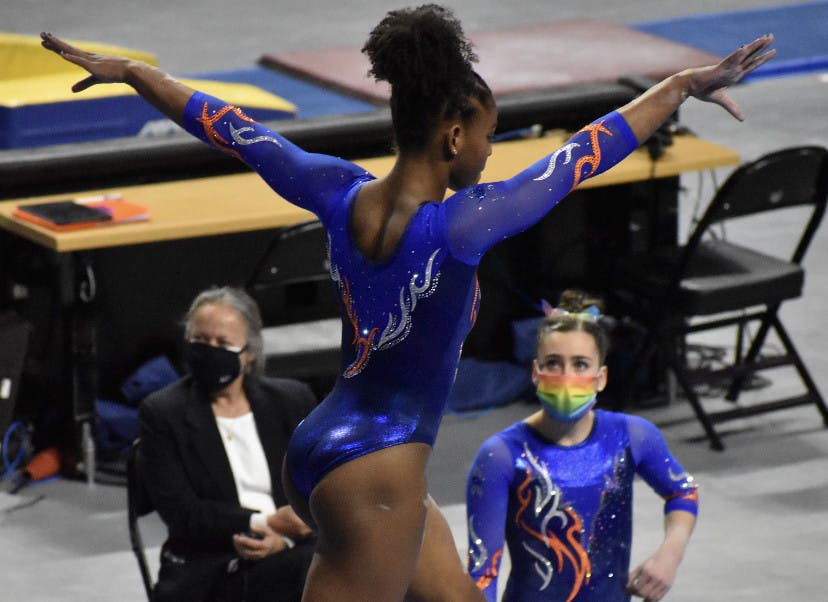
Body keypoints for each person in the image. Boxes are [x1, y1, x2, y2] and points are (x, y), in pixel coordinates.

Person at [41, 6, 771, 600]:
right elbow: (584, 152)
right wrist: (677, 87)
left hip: (335, 443)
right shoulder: (462, 223)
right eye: (489, 135)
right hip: (379, 468)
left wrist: (139, 74)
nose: (492, 150)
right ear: (453, 133)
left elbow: (234, 129)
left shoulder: (337, 189)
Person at [465, 290, 698, 602]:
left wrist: (671, 553)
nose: (566, 377)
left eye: (580, 364)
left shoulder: (631, 435)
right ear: (536, 373)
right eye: (553, 363)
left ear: (600, 377)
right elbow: (483, 572)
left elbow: (683, 491)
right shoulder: (501, 456)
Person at [137, 287, 316, 602]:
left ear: (248, 354)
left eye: (222, 344)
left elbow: (322, 489)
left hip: (291, 550)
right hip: (213, 565)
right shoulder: (162, 414)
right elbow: (184, 515)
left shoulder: (291, 401)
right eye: (200, 341)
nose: (210, 351)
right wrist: (265, 523)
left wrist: (284, 539)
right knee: (317, 568)